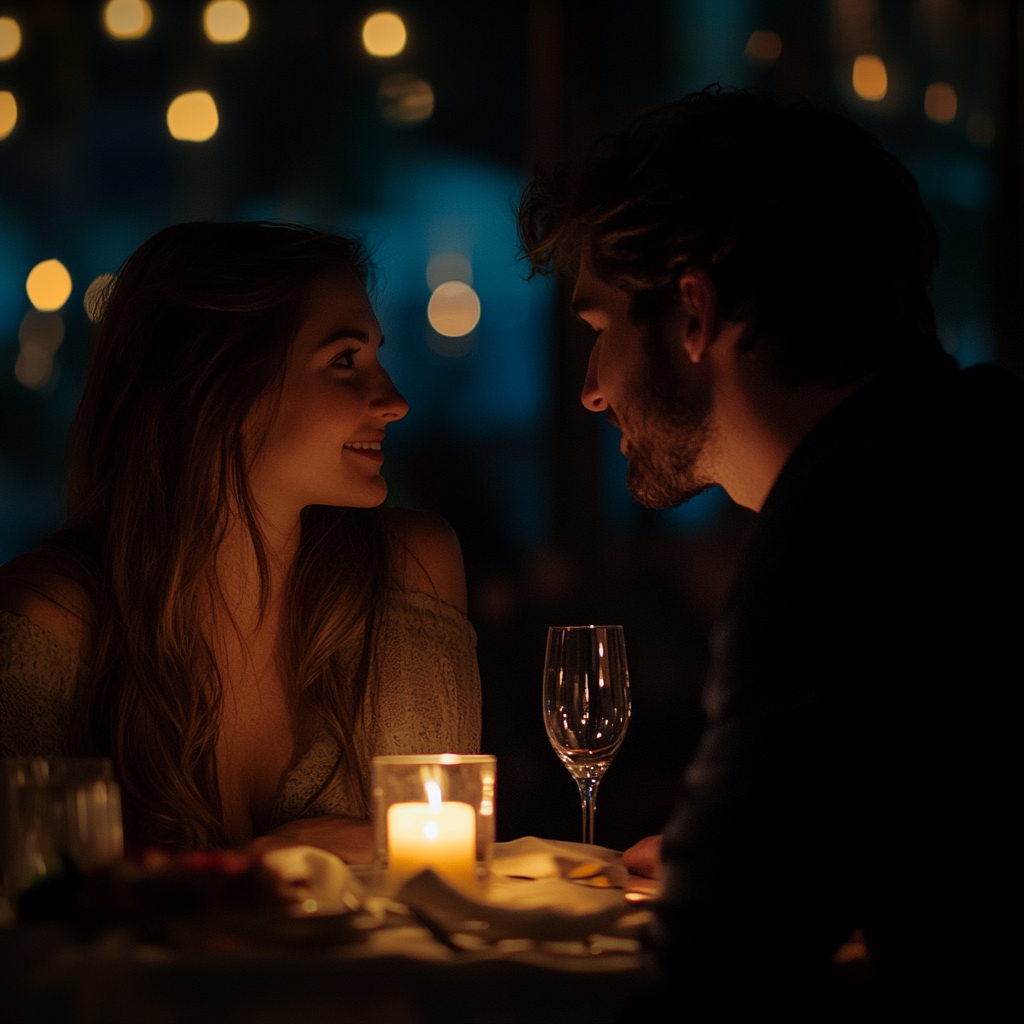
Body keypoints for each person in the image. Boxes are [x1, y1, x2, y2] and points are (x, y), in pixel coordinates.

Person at [519, 89, 1023, 1002]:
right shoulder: (979, 445)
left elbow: (718, 971)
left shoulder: (849, 530)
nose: (591, 390)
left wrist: (734, 877)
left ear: (692, 312)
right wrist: (762, 839)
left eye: (598, 331)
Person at [0, 222, 481, 860]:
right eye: (345, 360)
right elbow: (31, 927)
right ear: (218, 387)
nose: (393, 400)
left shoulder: (408, 575)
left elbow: (438, 883)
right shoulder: (49, 624)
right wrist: (261, 868)